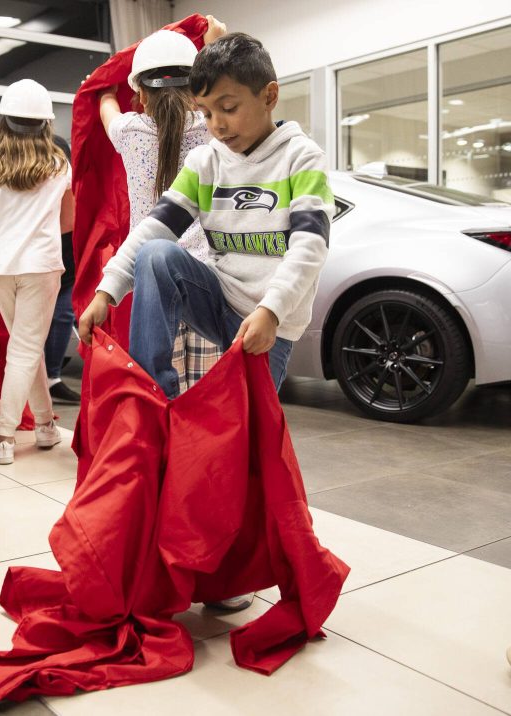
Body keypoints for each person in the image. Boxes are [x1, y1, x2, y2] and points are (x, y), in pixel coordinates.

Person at [80, 33, 334, 610]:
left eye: (229, 107)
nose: (217, 124)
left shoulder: (302, 159)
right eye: (206, 112)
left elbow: (310, 245)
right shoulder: (204, 160)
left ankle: (224, 577)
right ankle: (151, 394)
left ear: (269, 96)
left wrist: (272, 310)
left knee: (239, 454)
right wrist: (105, 290)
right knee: (155, 256)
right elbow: (153, 229)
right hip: (216, 298)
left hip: (269, 323)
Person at [97, 22, 225, 395]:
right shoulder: (213, 126)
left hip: (150, 281)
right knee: (206, 399)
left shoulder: (128, 131)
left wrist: (105, 82)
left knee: (157, 395)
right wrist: (214, 46)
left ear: (139, 91)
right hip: (206, 279)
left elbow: (106, 104)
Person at [0, 78, 74, 465]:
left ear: (3, 123)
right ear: (46, 125)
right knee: (27, 348)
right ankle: (5, 435)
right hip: (41, 264)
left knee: (25, 347)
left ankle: (43, 426)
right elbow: (67, 223)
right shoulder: (60, 165)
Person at [43, 135, 81, 405]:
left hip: (68, 270)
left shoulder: (74, 187)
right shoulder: (35, 189)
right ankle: (39, 380)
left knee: (63, 316)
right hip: (40, 266)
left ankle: (51, 377)